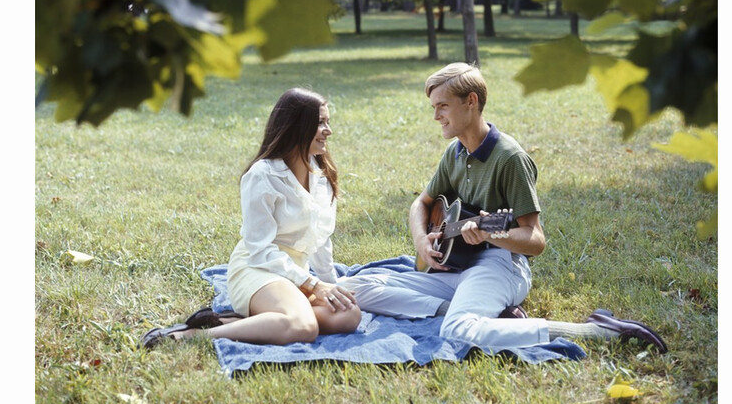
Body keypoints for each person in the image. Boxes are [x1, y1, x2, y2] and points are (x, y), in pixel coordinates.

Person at [340, 62, 667, 355]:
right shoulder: (455, 152)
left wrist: (491, 233)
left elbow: (535, 240)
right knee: (351, 288)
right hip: (458, 267)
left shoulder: (510, 159)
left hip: (500, 264)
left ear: (471, 102)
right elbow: (421, 203)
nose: (435, 116)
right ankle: (490, 315)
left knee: (457, 330)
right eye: (433, 107)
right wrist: (421, 242)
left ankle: (596, 331)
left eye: (442, 106)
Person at [141, 88, 361, 349]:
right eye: (320, 123)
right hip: (258, 269)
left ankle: (232, 321)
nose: (328, 130)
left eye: (328, 122)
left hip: (295, 276)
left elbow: (321, 240)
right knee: (304, 327)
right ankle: (188, 336)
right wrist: (313, 284)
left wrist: (329, 286)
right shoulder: (263, 175)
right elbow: (259, 249)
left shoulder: (322, 175)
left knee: (349, 315)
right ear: (296, 126)